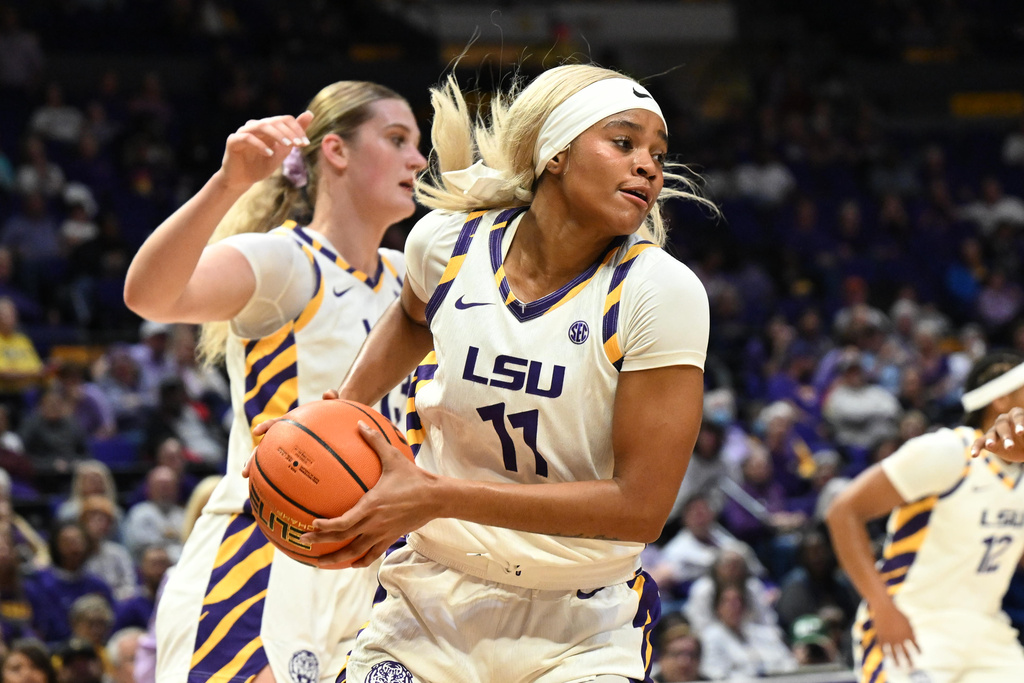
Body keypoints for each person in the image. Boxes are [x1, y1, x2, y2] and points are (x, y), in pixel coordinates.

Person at [283, 63, 715, 682]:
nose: (648, 165)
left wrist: (437, 497)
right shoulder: (446, 244)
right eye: (624, 143)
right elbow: (411, 316)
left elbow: (640, 507)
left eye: (657, 153)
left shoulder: (660, 292)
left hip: (579, 622)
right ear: (555, 154)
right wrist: (335, 415)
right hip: (430, 600)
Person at [123, 79, 426, 683]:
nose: (418, 160)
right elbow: (149, 295)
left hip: (369, 572)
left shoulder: (411, 279)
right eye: (397, 140)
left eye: (417, 145)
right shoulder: (288, 261)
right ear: (335, 151)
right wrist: (228, 184)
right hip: (263, 556)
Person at [826, 351, 1024, 683]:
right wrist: (882, 607)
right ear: (1001, 397)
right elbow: (843, 511)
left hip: (986, 628)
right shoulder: (948, 451)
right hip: (916, 622)